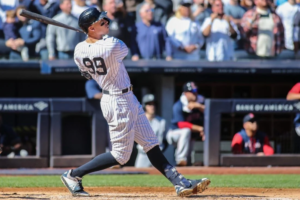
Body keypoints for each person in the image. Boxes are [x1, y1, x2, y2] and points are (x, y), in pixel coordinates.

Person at [60, 7, 210, 197]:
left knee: (150, 143)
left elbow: (87, 74)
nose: (106, 22)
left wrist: (93, 39)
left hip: (126, 97)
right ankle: (74, 175)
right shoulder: (110, 44)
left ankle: (180, 183)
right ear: (90, 28)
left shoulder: (78, 50)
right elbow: (123, 49)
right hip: (116, 100)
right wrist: (99, 40)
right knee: (121, 156)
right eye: (101, 22)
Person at [166, 82, 205, 166]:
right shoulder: (179, 105)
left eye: (196, 90)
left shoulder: (200, 102)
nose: (195, 93)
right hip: (174, 133)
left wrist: (199, 106)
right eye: (192, 91)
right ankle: (180, 159)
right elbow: (181, 125)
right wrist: (200, 128)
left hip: (188, 135)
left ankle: (183, 164)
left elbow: (212, 114)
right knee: (186, 131)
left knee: (189, 157)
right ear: (185, 93)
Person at [135, 94, 167, 167]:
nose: (152, 107)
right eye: (149, 104)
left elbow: (166, 141)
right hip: (143, 155)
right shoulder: (138, 121)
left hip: (158, 156)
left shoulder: (162, 121)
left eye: (153, 104)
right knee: (138, 176)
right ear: (144, 106)